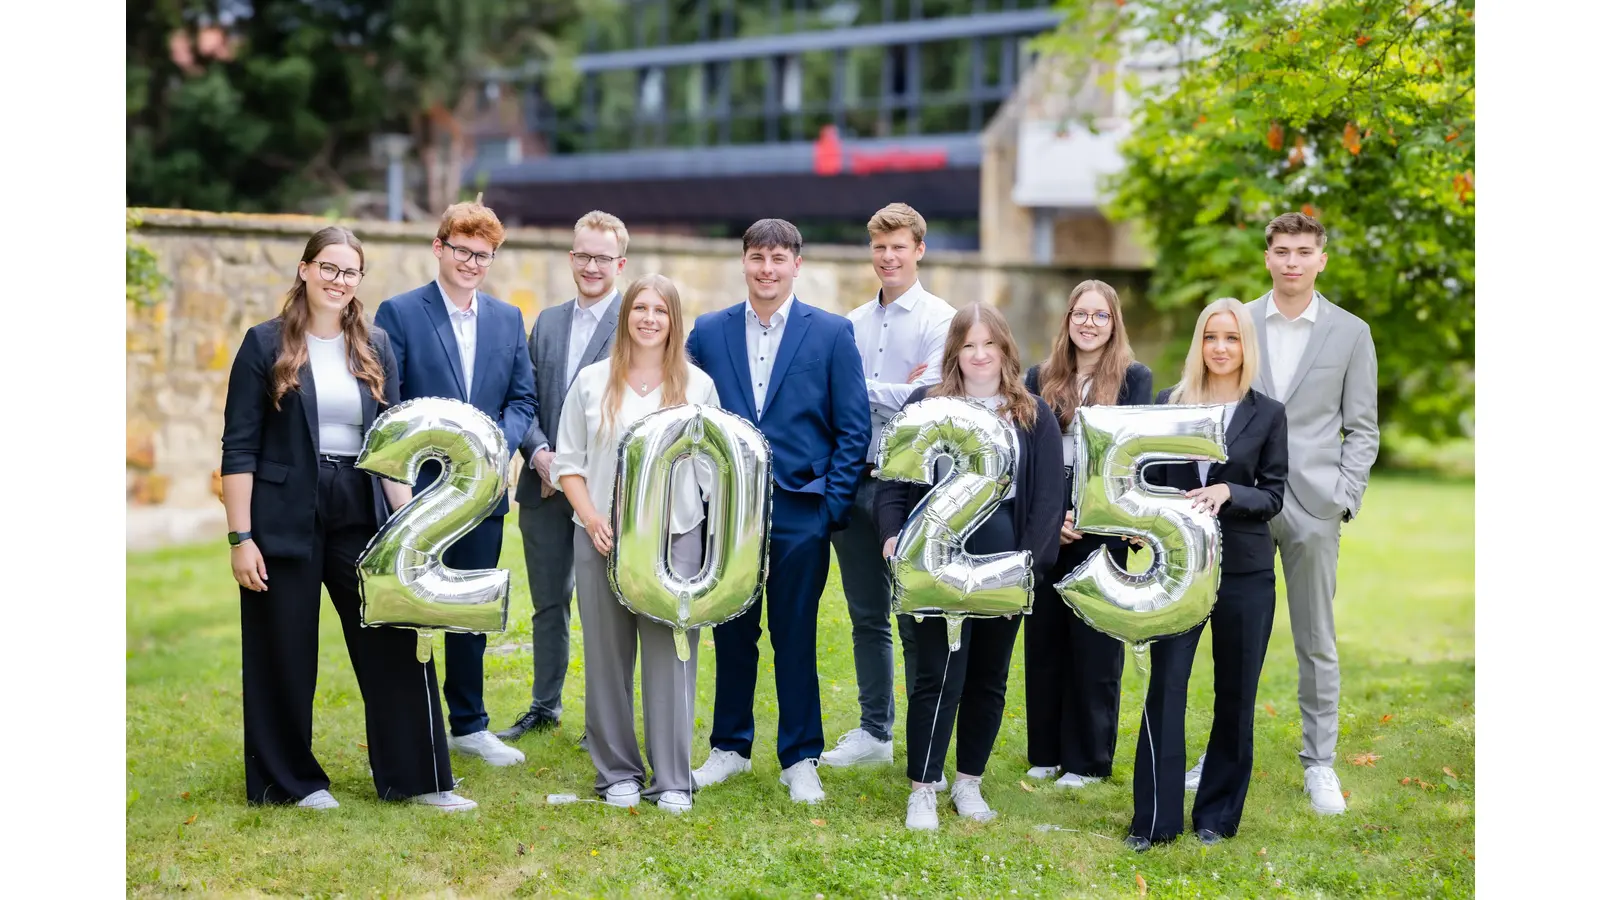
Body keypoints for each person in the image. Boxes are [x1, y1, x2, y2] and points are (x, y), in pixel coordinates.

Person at [220, 226, 474, 812]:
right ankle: (291, 782)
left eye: (350, 272)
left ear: (360, 280)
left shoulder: (376, 345)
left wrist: (406, 524)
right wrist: (242, 537)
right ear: (305, 270)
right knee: (282, 645)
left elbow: (390, 444)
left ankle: (418, 779)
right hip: (283, 511)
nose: (339, 280)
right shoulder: (263, 345)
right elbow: (238, 448)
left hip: (358, 504)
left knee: (392, 636)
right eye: (328, 268)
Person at [1184, 213, 1379, 814]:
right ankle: (1217, 757)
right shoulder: (1237, 324)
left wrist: (1344, 497)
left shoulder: (1351, 333)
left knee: (1315, 637)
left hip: (1315, 504)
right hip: (1237, 502)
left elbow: (1363, 429)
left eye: (1304, 252)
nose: (1292, 261)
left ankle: (1319, 763)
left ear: (1321, 260)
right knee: (1228, 637)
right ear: (1267, 257)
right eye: (1282, 251)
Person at [684, 218, 872, 804]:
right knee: (732, 630)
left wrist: (830, 508)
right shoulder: (708, 334)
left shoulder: (832, 334)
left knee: (796, 633)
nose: (767, 269)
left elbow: (853, 428)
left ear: (796, 264)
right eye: (757, 258)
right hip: (730, 507)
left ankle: (800, 757)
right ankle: (729, 748)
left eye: (778, 259)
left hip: (801, 509)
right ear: (743, 262)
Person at [876, 302, 1064, 831]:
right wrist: (892, 538)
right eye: (968, 345)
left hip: (1003, 566)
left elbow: (1049, 499)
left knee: (988, 676)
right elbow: (892, 486)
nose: (979, 355)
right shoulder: (925, 404)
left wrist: (1026, 569)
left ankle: (968, 783)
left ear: (1005, 350)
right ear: (954, 352)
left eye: (990, 344)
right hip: (934, 563)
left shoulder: (1032, 413)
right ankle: (923, 787)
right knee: (938, 674)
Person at [374, 199, 538, 767]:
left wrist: (491, 443)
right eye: (463, 250)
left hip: (483, 492)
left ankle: (469, 724)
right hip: (420, 492)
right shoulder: (398, 314)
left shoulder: (507, 319)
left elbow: (523, 398)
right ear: (439, 248)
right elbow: (388, 403)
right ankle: (416, 726)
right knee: (414, 610)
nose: (472, 262)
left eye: (483, 255)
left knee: (469, 605)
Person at [552, 274, 719, 814]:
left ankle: (672, 779)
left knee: (673, 655)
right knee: (606, 655)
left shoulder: (698, 388)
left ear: (675, 321)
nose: (649, 318)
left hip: (676, 539)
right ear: (626, 316)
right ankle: (617, 772)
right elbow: (568, 462)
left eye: (660, 310)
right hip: (601, 535)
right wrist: (592, 517)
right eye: (639, 308)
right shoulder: (591, 382)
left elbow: (712, 473)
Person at [1126, 297, 1288, 850]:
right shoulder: (1171, 404)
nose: (1221, 348)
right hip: (1178, 569)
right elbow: (1145, 477)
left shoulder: (1267, 413)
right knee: (1165, 688)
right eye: (1212, 337)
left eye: (1232, 338)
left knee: (1235, 695)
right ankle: (1154, 821)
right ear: (1200, 343)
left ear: (1246, 345)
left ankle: (1217, 816)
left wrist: (1227, 491)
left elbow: (1272, 494)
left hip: (1244, 571)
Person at [822, 202, 956, 772]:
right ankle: (875, 730)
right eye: (880, 247)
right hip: (857, 480)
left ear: (919, 251)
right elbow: (837, 397)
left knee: (913, 615)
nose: (888, 257)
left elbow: (927, 397)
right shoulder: (849, 324)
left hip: (910, 487)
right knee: (866, 613)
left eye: (899, 247)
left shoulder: (941, 321)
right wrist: (886, 388)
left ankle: (921, 735)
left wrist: (863, 387)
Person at [499, 210, 629, 741]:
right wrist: (541, 455)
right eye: (583, 255)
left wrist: (577, 469)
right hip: (545, 486)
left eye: (602, 257)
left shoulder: (637, 321)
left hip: (605, 494)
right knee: (549, 602)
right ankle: (544, 705)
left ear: (620, 262)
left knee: (611, 611)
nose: (591, 265)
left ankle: (606, 716)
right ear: (571, 257)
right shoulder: (547, 322)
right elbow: (524, 399)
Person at [1021, 280, 1152, 789]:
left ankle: (1088, 761)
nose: (1089, 323)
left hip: (1104, 527)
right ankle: (1046, 751)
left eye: (1100, 315)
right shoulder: (1040, 377)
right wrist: (1053, 517)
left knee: (1095, 646)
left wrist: (1092, 516)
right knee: (1046, 638)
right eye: (1081, 314)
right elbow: (1031, 455)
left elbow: (1134, 455)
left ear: (1114, 322)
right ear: (1068, 319)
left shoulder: (1133, 378)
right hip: (1051, 524)